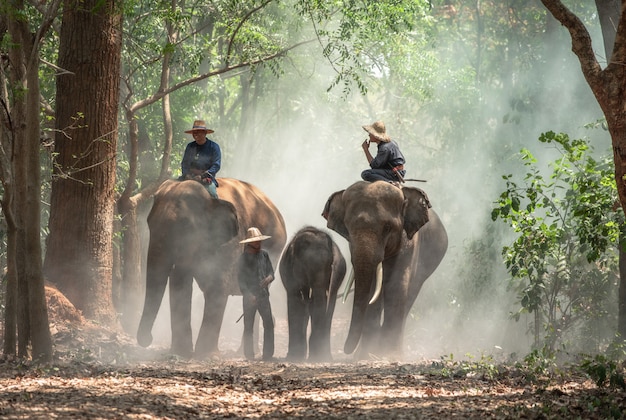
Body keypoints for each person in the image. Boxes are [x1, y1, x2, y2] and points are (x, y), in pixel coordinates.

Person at [238, 227, 275, 361]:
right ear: (249, 243)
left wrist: (268, 279)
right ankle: (249, 355)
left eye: (259, 241)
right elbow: (241, 281)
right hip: (250, 298)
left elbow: (271, 272)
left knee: (269, 324)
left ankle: (268, 355)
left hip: (264, 296)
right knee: (248, 327)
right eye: (256, 242)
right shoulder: (243, 259)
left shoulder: (264, 255)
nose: (259, 244)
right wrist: (249, 295)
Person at [179, 119, 221, 198]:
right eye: (194, 132)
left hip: (205, 178)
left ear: (205, 133)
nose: (196, 134)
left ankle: (216, 209)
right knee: (172, 190)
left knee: (212, 193)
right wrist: (186, 174)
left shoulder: (214, 147)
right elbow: (185, 163)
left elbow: (216, 165)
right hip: (189, 176)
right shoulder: (190, 146)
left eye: (199, 132)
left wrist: (202, 176)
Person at [360, 120, 406, 186]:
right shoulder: (389, 143)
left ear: (375, 135)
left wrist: (366, 150)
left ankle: (390, 183)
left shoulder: (384, 148)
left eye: (370, 133)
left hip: (394, 173)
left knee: (365, 174)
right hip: (394, 171)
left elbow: (374, 166)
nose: (369, 134)